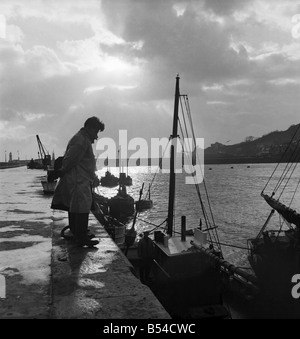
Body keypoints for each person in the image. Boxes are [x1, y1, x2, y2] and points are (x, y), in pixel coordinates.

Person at [51, 116, 105, 247]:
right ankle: (81, 237)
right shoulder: (81, 141)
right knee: (81, 206)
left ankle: (78, 234)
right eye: (96, 131)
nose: (96, 136)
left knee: (77, 206)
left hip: (80, 178)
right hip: (78, 179)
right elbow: (70, 160)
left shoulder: (82, 139)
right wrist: (62, 172)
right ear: (89, 128)